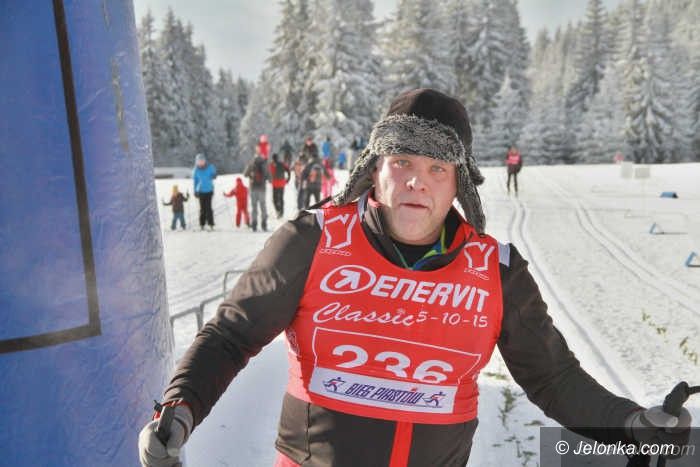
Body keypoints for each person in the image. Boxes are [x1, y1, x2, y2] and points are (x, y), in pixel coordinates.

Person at [139, 89, 691, 467]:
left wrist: (630, 423)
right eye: (402, 161)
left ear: (458, 185)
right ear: (374, 169)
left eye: (436, 168)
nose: (416, 182)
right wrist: (180, 408)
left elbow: (552, 378)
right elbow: (231, 335)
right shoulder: (313, 240)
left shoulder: (497, 270)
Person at [243, 147, 270, 232]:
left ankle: (254, 224)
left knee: (254, 207)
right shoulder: (264, 164)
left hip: (253, 188)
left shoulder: (251, 163)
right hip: (262, 189)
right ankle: (264, 224)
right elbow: (269, 177)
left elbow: (245, 174)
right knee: (263, 206)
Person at [192, 153, 216, 230]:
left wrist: (214, 175)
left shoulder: (210, 167)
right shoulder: (196, 170)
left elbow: (214, 173)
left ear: (205, 161)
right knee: (202, 209)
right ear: (197, 162)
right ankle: (202, 224)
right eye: (199, 162)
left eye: (202, 161)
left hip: (209, 190)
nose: (201, 163)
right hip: (201, 191)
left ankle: (211, 224)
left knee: (208, 208)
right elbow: (195, 181)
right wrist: (195, 191)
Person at [269, 153, 291, 219]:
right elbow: (288, 170)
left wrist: (269, 179)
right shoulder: (282, 164)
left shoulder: (271, 165)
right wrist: (288, 179)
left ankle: (278, 210)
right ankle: (281, 212)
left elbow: (268, 173)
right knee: (281, 198)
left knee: (274, 199)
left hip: (275, 184)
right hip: (282, 184)